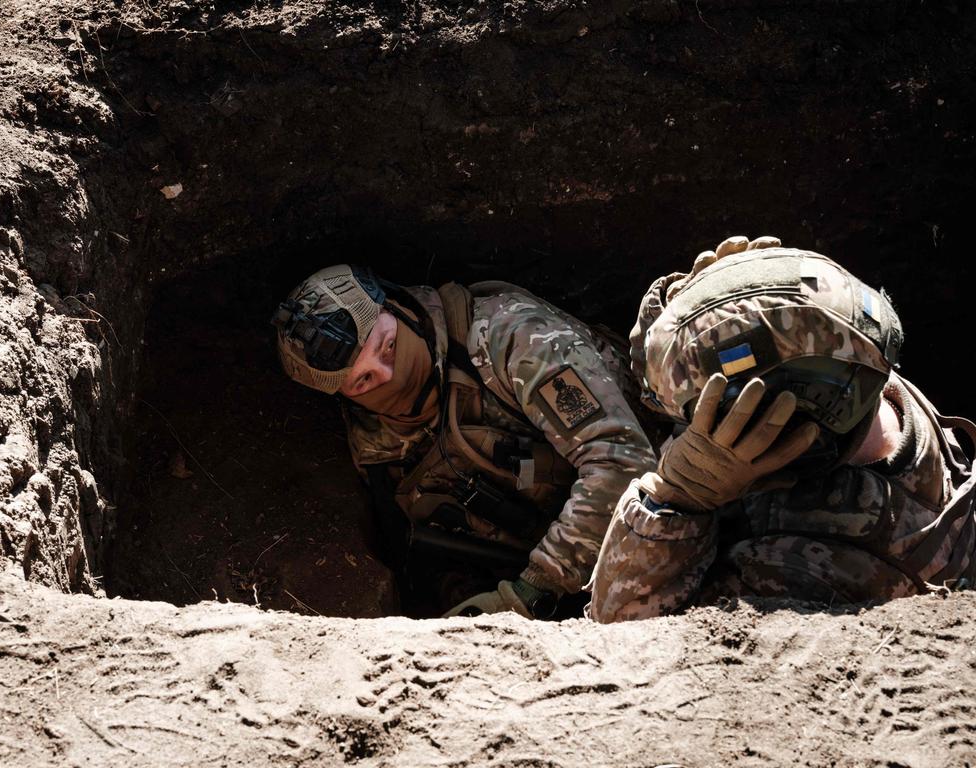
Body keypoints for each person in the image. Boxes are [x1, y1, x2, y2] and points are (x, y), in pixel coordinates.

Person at [588, 236, 976, 622]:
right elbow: (785, 315)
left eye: (713, 407)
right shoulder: (858, 374)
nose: (695, 423)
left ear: (784, 413)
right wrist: (699, 298)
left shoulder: (801, 563)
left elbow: (618, 624)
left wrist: (675, 500)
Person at [271, 264, 660, 618]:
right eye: (364, 380)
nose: (388, 373)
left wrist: (532, 590)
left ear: (398, 305)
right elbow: (433, 554)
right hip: (535, 570)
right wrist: (466, 609)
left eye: (387, 345)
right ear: (347, 396)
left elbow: (624, 461)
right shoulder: (377, 447)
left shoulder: (509, 336)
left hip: (662, 506)